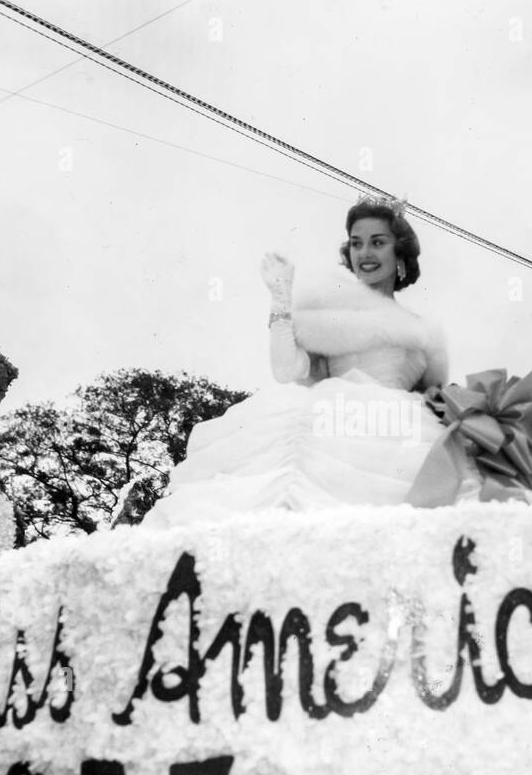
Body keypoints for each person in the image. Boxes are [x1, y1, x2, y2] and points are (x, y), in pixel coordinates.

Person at [139, 197, 481, 528]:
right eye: (357, 243)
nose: (365, 253)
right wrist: (281, 299)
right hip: (326, 426)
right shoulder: (327, 312)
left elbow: (436, 401)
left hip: (394, 437)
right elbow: (286, 370)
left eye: (378, 242)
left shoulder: (424, 331)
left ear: (400, 252)